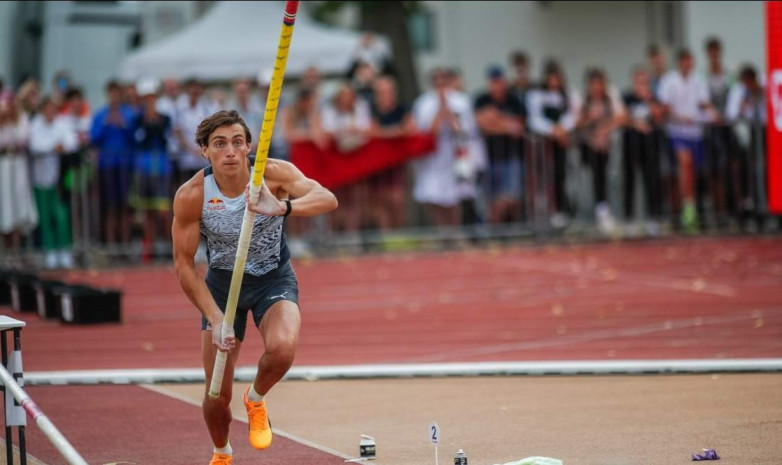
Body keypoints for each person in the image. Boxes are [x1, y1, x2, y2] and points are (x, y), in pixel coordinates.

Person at [171, 110, 337, 465]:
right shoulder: (192, 195)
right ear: (204, 151)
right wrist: (215, 318)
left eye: (236, 142)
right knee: (216, 394)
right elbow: (184, 265)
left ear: (248, 146)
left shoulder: (272, 175)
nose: (230, 151)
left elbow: (327, 198)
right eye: (219, 144)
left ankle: (257, 397)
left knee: (282, 349)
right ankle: (222, 453)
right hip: (221, 289)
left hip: (272, 279)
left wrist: (282, 207)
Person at [658, 48, 716, 234]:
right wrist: (680, 118)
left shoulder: (698, 80)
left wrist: (712, 113)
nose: (687, 64)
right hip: (677, 132)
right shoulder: (669, 81)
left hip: (695, 133)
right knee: (684, 164)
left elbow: (704, 103)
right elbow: (665, 108)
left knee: (693, 171)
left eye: (689, 61)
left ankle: (692, 205)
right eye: (684, 61)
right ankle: (687, 207)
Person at [526, 60, 579, 229]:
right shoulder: (537, 95)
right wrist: (553, 130)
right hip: (544, 145)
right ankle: (545, 213)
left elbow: (574, 114)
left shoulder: (569, 94)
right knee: (543, 178)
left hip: (562, 144)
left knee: (562, 176)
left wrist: (563, 129)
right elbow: (534, 119)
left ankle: (564, 210)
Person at [29, 97, 78, 268]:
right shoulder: (35, 125)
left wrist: (60, 147)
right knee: (45, 217)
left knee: (61, 215)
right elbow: (35, 145)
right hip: (41, 179)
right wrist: (53, 147)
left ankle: (64, 250)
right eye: (47, 109)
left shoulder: (62, 123)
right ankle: (50, 251)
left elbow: (72, 143)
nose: (51, 112)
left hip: (58, 180)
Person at [576, 68, 625, 234]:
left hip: (610, 146)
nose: (596, 87)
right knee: (596, 171)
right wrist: (590, 119)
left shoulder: (611, 98)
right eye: (593, 84)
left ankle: (610, 211)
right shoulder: (584, 101)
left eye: (599, 83)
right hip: (590, 148)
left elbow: (621, 117)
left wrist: (605, 129)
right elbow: (577, 123)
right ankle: (600, 210)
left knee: (608, 174)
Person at [474, 65, 526, 225]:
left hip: (511, 156)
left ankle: (500, 226)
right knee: (491, 196)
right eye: (493, 81)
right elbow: (481, 123)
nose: (496, 85)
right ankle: (493, 228)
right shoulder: (481, 99)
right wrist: (505, 125)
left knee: (511, 196)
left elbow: (518, 127)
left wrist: (494, 117)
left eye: (499, 81)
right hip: (489, 157)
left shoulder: (514, 100)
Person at [90, 80, 136, 248]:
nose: (115, 97)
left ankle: (124, 246)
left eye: (117, 93)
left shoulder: (129, 114)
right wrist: (106, 124)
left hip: (124, 166)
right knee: (108, 206)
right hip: (106, 166)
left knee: (124, 206)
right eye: (112, 93)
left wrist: (123, 125)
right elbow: (93, 139)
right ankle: (110, 246)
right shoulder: (100, 115)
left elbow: (135, 138)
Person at [130, 78, 173, 257]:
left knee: (163, 209)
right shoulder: (137, 119)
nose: (150, 101)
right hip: (144, 165)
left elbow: (164, 137)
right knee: (146, 210)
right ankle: (148, 247)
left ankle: (167, 245)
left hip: (161, 165)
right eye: (147, 98)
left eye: (152, 98)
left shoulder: (165, 118)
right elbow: (138, 139)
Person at [621, 67, 666, 234]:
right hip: (631, 145)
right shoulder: (627, 97)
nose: (642, 84)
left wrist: (649, 101)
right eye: (639, 81)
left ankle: (653, 218)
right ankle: (629, 219)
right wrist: (636, 124)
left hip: (650, 146)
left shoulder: (654, 98)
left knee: (652, 181)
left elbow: (659, 117)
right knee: (630, 181)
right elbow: (622, 117)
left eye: (645, 81)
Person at [369, 76, 416, 230]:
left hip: (396, 161)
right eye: (380, 92)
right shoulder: (372, 110)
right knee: (379, 199)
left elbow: (409, 129)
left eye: (386, 91)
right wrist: (396, 132)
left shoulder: (403, 109)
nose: (383, 95)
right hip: (377, 162)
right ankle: (385, 234)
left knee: (397, 199)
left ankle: (399, 231)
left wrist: (385, 133)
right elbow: (371, 132)